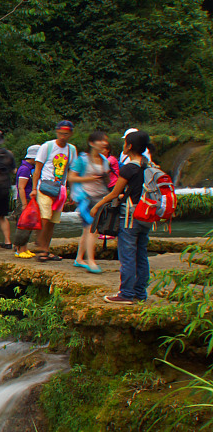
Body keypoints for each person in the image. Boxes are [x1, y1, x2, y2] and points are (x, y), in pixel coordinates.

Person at [93, 130, 153, 303]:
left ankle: (126, 294)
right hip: (145, 216)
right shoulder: (148, 166)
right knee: (141, 255)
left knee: (127, 257)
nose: (123, 145)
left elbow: (114, 193)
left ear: (130, 146)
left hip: (129, 218)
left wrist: (97, 206)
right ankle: (140, 293)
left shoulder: (128, 168)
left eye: (125, 143)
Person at [32, 120, 77, 261]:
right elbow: (37, 169)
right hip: (44, 187)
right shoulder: (47, 146)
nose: (63, 136)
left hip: (60, 189)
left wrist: (72, 191)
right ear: (57, 132)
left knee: (52, 221)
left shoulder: (71, 150)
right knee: (44, 218)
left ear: (71, 134)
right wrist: (34, 189)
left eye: (66, 134)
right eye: (61, 133)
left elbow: (71, 172)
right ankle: (41, 249)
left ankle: (45, 249)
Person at [69, 131, 110, 274]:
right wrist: (90, 179)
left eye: (105, 140)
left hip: (100, 197)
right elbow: (71, 178)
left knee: (87, 229)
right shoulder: (82, 160)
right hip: (84, 198)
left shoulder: (104, 160)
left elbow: (106, 180)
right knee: (92, 228)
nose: (104, 143)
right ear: (92, 143)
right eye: (101, 140)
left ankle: (79, 259)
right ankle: (91, 261)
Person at [11, 145, 40, 258]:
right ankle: (19, 250)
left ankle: (24, 248)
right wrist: (24, 204)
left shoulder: (30, 168)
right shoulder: (25, 169)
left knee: (28, 225)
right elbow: (21, 187)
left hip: (29, 200)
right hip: (24, 200)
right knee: (23, 225)